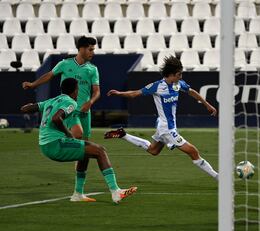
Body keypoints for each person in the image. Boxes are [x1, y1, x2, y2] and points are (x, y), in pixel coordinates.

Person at [20, 78, 137, 203]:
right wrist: (68, 133)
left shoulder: (52, 100)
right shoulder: (70, 102)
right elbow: (56, 118)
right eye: (77, 90)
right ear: (75, 90)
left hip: (45, 145)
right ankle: (116, 192)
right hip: (56, 144)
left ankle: (78, 194)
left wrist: (30, 106)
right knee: (100, 151)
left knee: (85, 153)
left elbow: (25, 109)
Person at [104, 56, 219, 181]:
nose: (181, 77)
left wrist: (207, 105)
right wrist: (119, 93)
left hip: (165, 125)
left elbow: (191, 91)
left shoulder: (178, 84)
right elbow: (135, 93)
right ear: (171, 75)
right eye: (179, 74)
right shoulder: (157, 86)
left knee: (153, 150)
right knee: (193, 152)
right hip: (167, 129)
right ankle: (219, 178)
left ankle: (123, 135)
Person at [22, 36, 101, 202]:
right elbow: (50, 75)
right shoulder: (65, 64)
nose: (93, 52)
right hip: (67, 112)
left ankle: (78, 192)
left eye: (93, 49)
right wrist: (33, 85)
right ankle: (77, 186)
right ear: (81, 49)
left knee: (84, 150)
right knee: (81, 146)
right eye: (90, 49)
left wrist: (90, 102)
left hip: (83, 113)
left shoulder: (92, 69)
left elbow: (97, 91)